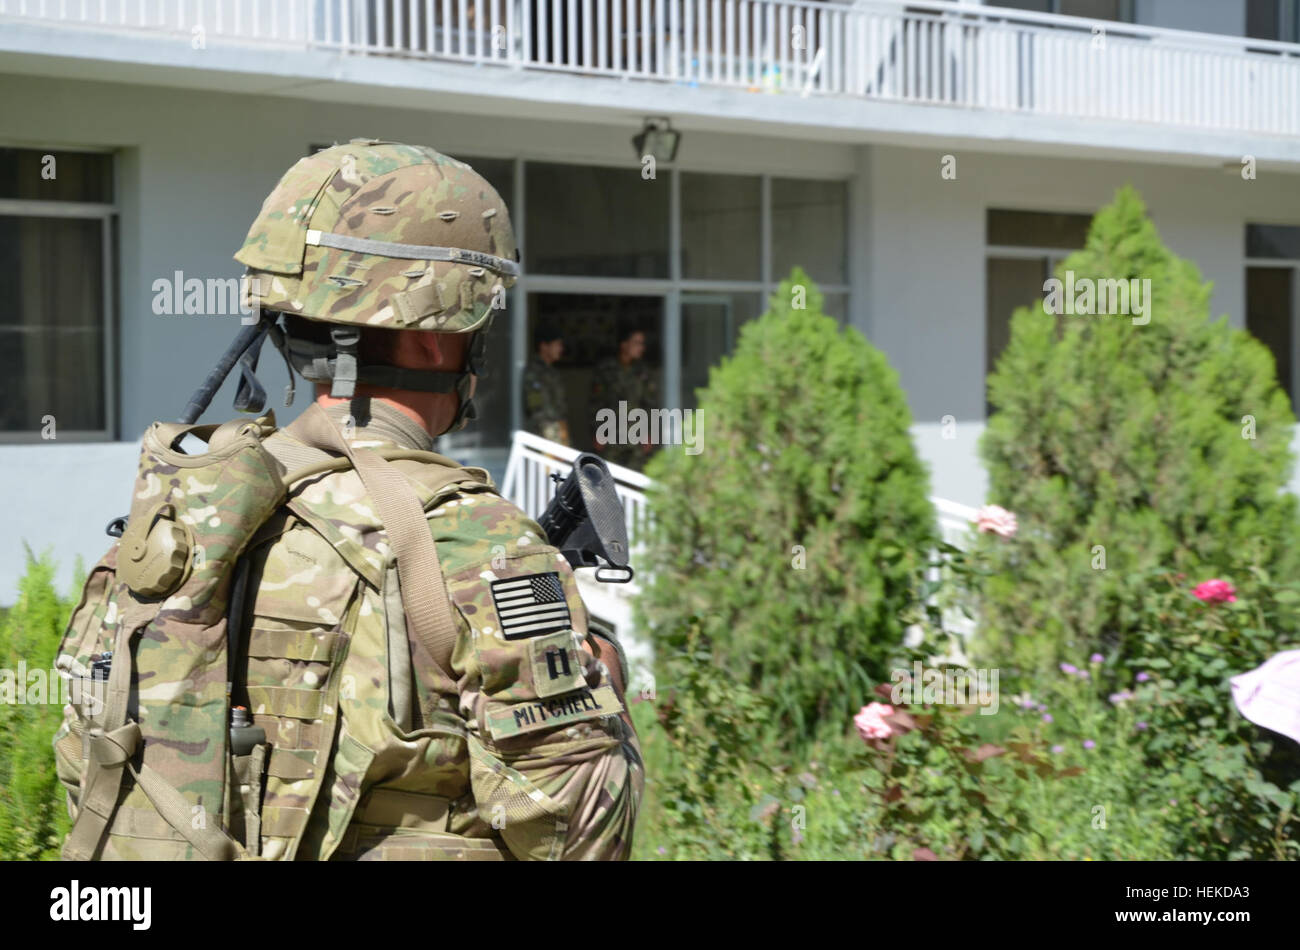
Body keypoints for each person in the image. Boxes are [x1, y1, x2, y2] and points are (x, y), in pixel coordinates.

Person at [232, 140, 641, 860]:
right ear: (431, 342)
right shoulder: (477, 541)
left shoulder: (189, 507)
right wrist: (600, 673)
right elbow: (581, 829)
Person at [590, 326, 657, 470]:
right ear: (624, 345)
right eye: (637, 343)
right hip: (611, 436)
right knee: (608, 479)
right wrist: (597, 432)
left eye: (642, 344)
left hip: (636, 436)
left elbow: (649, 405)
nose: (641, 348)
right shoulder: (606, 370)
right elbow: (596, 403)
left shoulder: (643, 372)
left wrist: (648, 433)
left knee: (635, 480)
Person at [521, 324, 570, 445]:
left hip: (557, 435)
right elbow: (537, 411)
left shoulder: (553, 373)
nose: (561, 349)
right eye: (557, 344)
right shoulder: (533, 373)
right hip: (543, 438)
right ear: (544, 346)